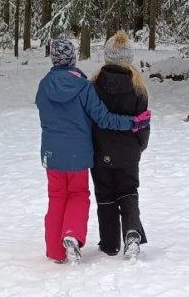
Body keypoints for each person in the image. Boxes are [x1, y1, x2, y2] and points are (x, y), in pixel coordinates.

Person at [36, 37, 150, 264]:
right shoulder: (84, 87)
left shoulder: (44, 86)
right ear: (73, 58)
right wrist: (132, 124)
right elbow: (103, 118)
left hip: (52, 154)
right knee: (78, 195)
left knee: (56, 197)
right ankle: (71, 234)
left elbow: (44, 112)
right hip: (79, 154)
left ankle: (55, 251)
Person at [91, 32, 151, 260]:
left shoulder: (94, 85)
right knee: (128, 192)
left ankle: (109, 243)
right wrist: (139, 147)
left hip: (99, 150)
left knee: (105, 195)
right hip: (128, 151)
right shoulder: (138, 88)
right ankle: (132, 233)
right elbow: (143, 124)